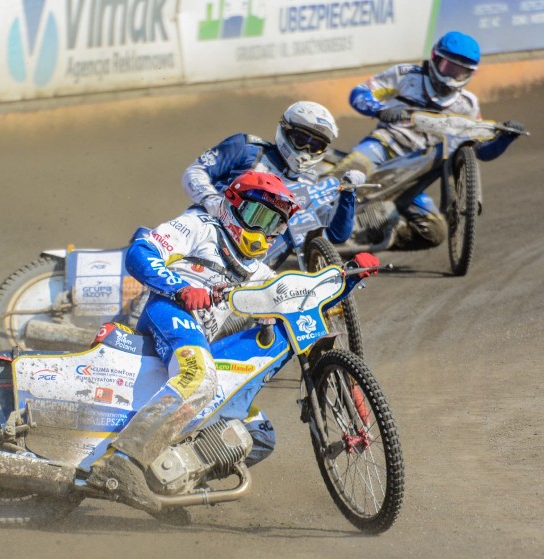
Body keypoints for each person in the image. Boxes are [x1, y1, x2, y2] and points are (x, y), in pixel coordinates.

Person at [87, 171, 378, 514]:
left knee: (259, 436)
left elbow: (302, 298)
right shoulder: (198, 226)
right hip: (166, 312)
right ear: (233, 207)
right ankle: (123, 461)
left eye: (276, 225)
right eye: (260, 217)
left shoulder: (259, 273)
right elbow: (140, 251)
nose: (266, 232)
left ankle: (169, 484)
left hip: (200, 342)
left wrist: (348, 278)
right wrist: (181, 288)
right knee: (199, 378)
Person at [332, 30, 526, 249]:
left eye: (461, 71)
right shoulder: (406, 75)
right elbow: (359, 93)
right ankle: (308, 227)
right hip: (384, 146)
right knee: (347, 174)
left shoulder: (468, 104)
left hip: (415, 174)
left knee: (434, 233)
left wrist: (505, 139)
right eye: (449, 67)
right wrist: (379, 110)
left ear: (471, 74)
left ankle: (380, 229)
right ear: (435, 58)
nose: (453, 76)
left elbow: (480, 150)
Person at [182, 100, 362, 245]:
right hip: (208, 232)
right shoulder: (246, 148)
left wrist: (348, 193)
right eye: (301, 139)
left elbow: (337, 235)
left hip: (252, 265)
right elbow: (196, 171)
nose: (306, 149)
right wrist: (210, 199)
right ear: (285, 130)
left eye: (315, 146)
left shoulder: (310, 186)